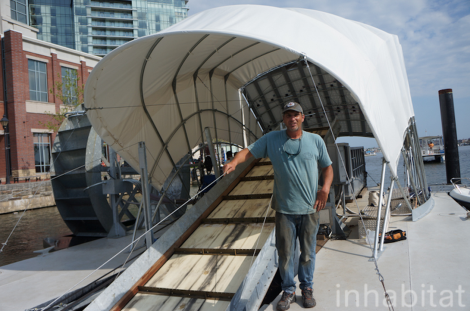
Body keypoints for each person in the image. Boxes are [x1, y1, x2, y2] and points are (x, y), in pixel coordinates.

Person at [223, 102, 333, 310]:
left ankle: (307, 288)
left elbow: (327, 168)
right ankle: (288, 290)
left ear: (302, 118)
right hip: (284, 210)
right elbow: (248, 152)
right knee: (285, 254)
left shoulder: (315, 141)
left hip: (310, 209)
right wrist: (234, 162)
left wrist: (325, 189)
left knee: (308, 253)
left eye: (295, 115)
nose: (292, 118)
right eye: (288, 115)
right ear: (283, 119)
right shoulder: (272, 139)